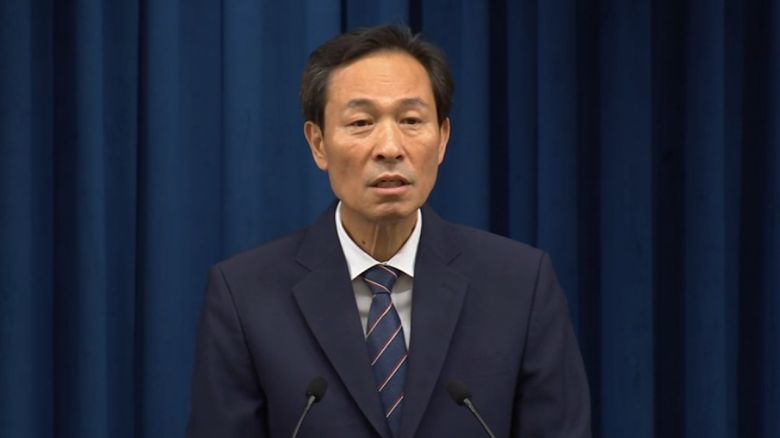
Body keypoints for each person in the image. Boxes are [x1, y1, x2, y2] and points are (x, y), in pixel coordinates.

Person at [187, 25, 590, 437]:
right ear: (318, 143)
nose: (390, 148)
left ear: (443, 139)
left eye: (411, 120)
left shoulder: (520, 285)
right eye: (361, 122)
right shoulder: (244, 296)